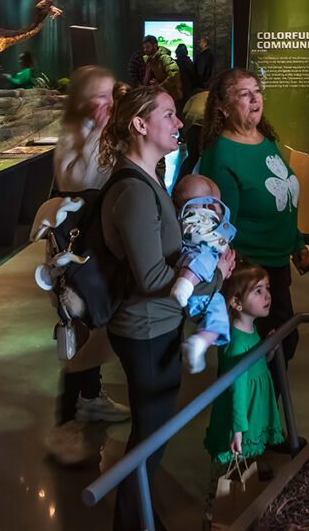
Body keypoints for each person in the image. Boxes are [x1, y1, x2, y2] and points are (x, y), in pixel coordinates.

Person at [99, 85, 235, 530]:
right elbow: (153, 278)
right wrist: (216, 276)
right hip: (145, 329)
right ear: (140, 125)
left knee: (152, 431)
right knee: (150, 437)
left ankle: (138, 511)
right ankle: (131, 520)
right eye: (170, 115)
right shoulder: (136, 191)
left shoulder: (150, 179)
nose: (180, 123)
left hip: (156, 326)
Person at [198, 68, 309, 374]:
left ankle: (266, 418)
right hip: (250, 271)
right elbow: (222, 226)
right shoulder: (222, 154)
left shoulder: (266, 140)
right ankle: (253, 420)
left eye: (257, 91)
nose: (254, 98)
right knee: (262, 352)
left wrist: (297, 242)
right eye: (243, 94)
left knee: (280, 345)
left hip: (277, 264)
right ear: (223, 107)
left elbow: (283, 199)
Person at [44, 66, 129, 466]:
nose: (109, 104)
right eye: (100, 97)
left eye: (112, 95)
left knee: (94, 326)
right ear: (81, 101)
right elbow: (81, 178)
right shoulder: (74, 136)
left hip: (98, 246)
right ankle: (66, 421)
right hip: (78, 252)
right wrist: (100, 131)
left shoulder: (100, 132)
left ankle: (91, 398)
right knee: (81, 328)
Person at [202, 262, 283, 524]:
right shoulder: (236, 340)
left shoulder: (250, 330)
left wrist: (267, 349)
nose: (267, 295)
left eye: (267, 288)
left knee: (245, 466)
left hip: (251, 412)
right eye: (258, 291)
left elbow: (255, 367)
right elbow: (237, 387)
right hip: (239, 418)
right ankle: (213, 516)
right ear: (236, 302)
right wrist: (237, 430)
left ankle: (238, 512)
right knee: (226, 471)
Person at [171, 174, 235, 374]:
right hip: (197, 284)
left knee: (219, 317)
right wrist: (223, 233)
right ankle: (184, 284)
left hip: (208, 291)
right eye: (215, 203)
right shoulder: (195, 224)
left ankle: (199, 343)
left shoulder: (193, 223)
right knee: (203, 257)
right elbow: (211, 243)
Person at [142, 36, 182, 101]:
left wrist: (161, 86)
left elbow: (174, 73)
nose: (145, 50)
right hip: (158, 96)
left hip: (170, 97)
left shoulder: (164, 58)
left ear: (155, 46)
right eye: (144, 48)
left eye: (148, 47)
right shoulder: (149, 59)